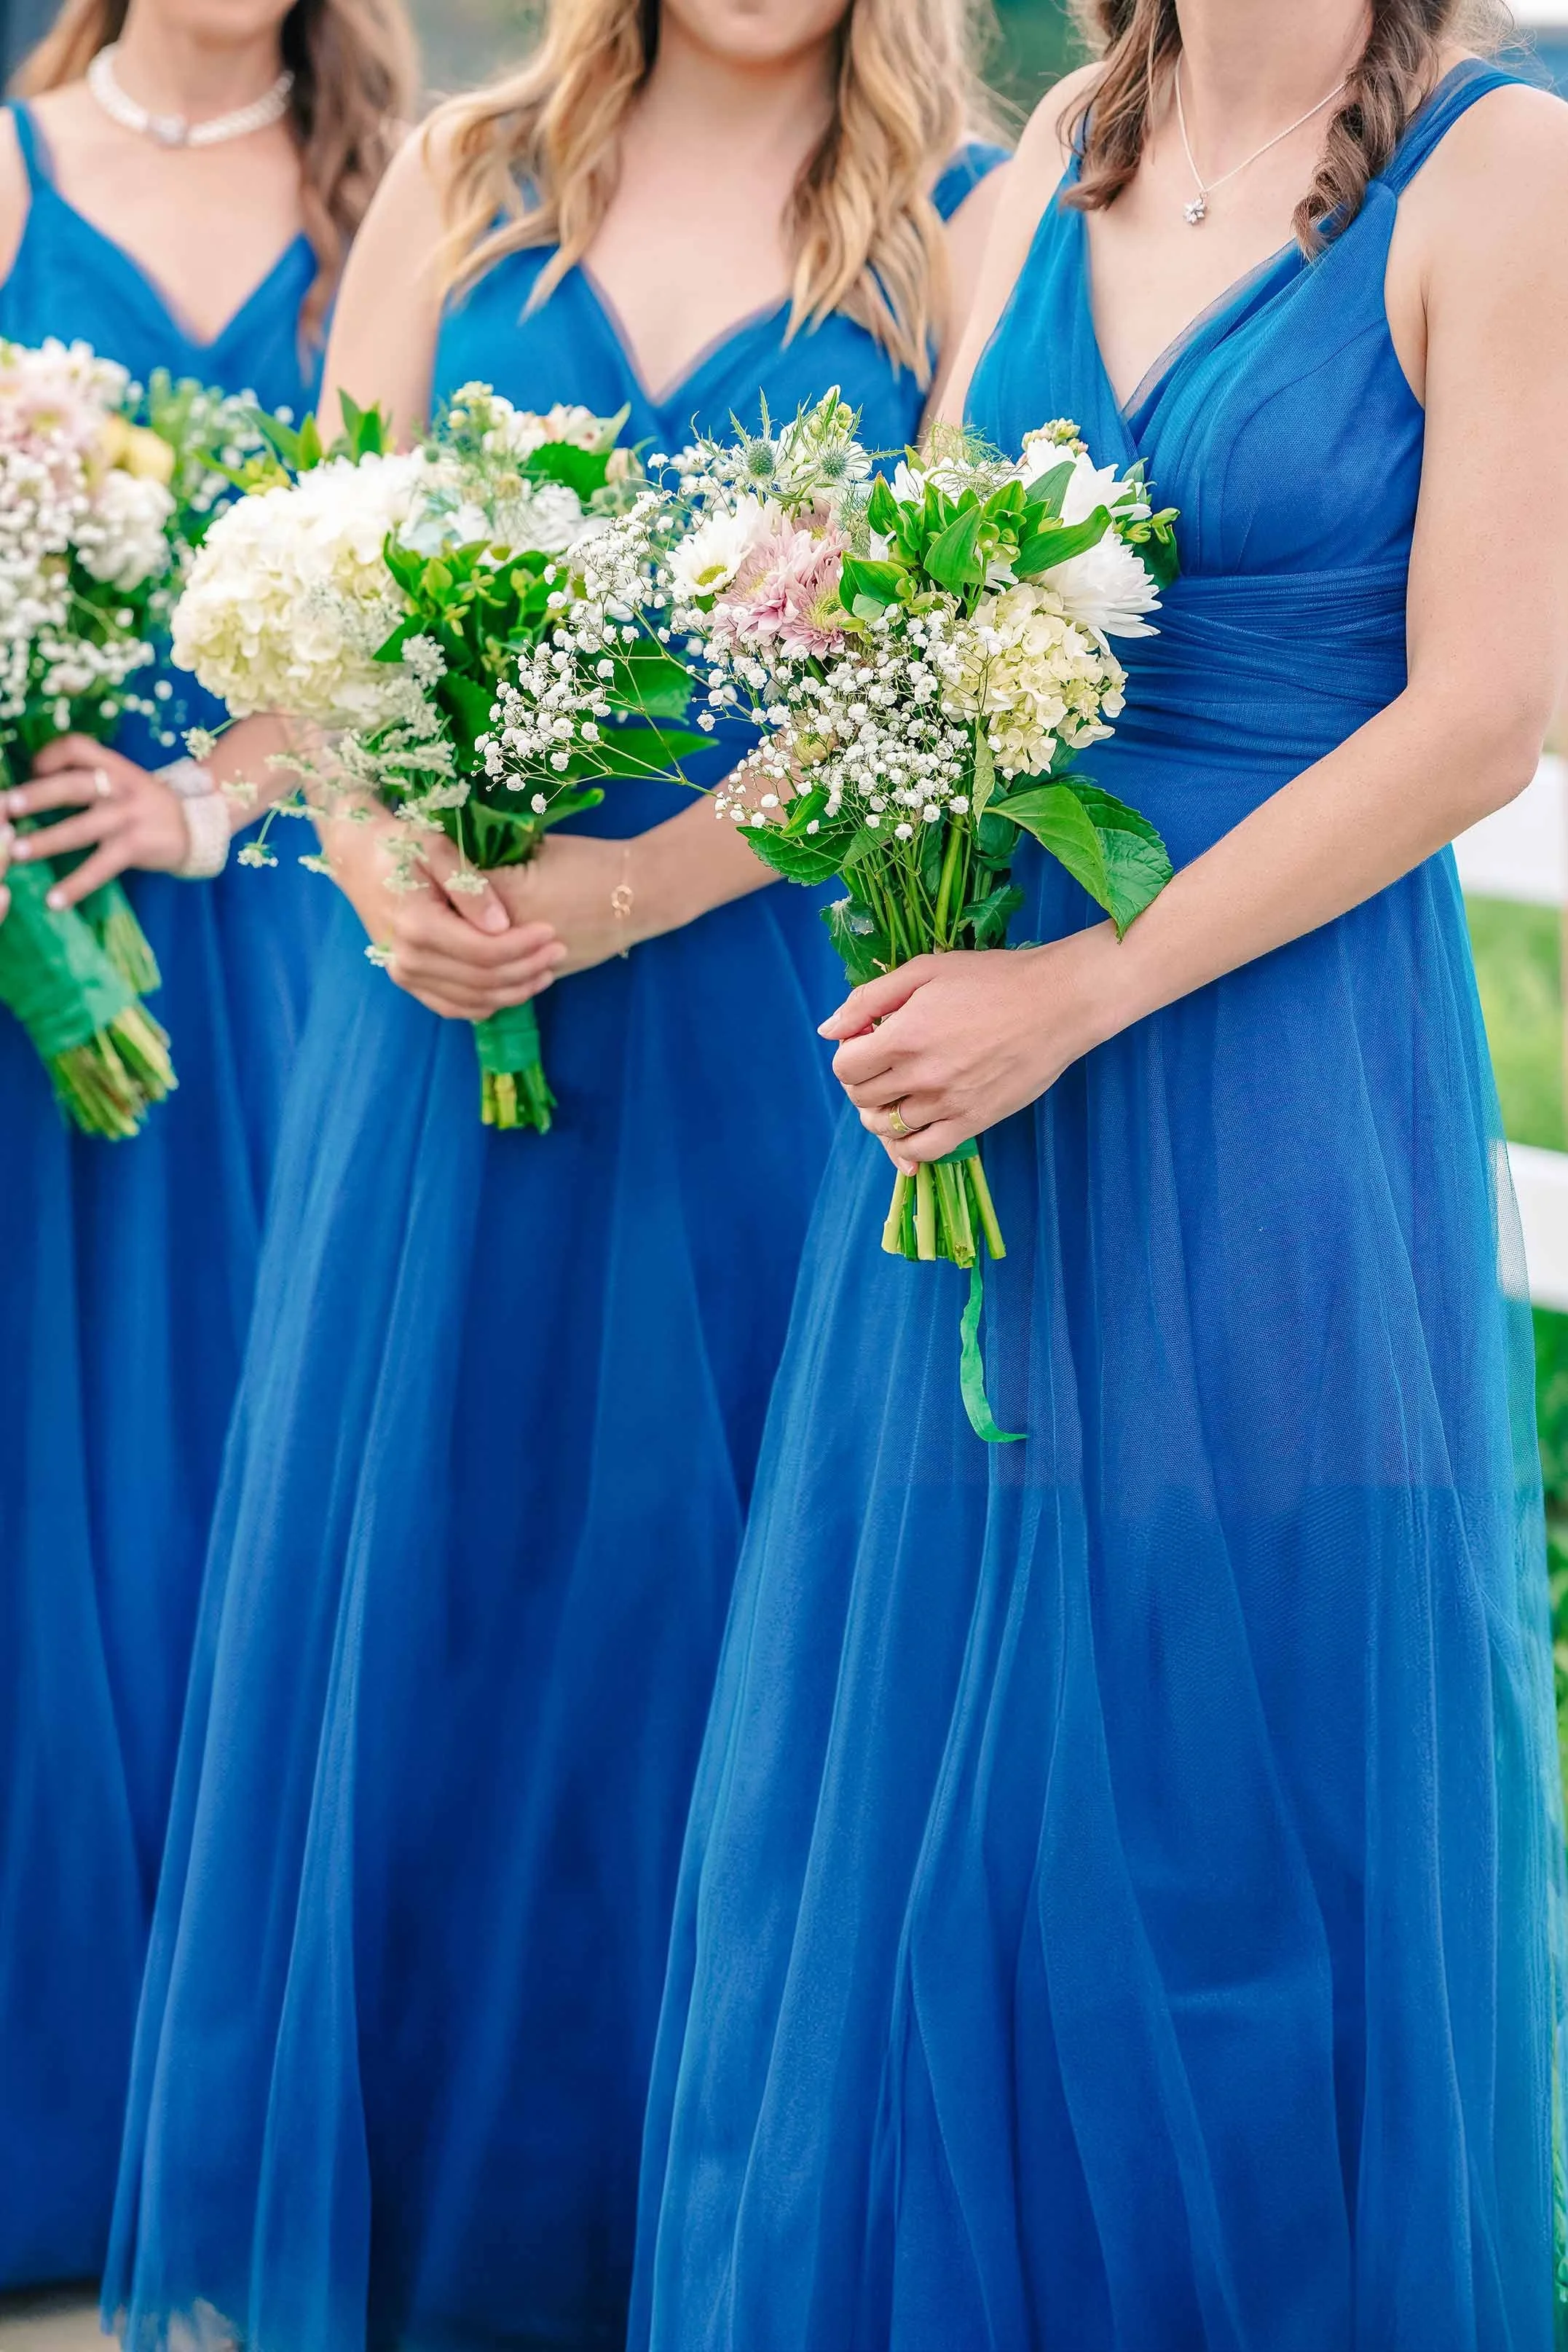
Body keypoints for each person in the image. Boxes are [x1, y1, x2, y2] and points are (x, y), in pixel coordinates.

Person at [629, 2, 1568, 2344]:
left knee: (1220, 1732)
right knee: (940, 1717)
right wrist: (829, 628)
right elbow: (953, 591)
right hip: (983, 1024)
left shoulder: (1503, 171)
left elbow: (1481, 716)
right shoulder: (1060, 136)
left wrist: (1085, 992)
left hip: (1275, 1077)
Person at [104, 3, 1006, 2345]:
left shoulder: (949, 236)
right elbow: (305, 614)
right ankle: (422, 2252)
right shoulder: (470, 177)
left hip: (763, 1036)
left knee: (703, 1639)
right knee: (442, 1587)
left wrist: (639, 894)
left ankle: (666, 2252)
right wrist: (382, 844)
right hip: (440, 1035)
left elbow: (929, 685)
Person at [0, 0, 413, 2290]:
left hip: (267, 955)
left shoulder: (396, 188)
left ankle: (218, 2119)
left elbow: (387, 606)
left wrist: (209, 793)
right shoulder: (10, 160)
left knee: (238, 1499)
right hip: (26, 915)